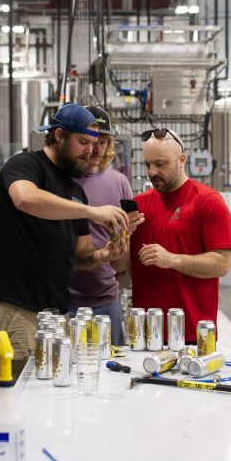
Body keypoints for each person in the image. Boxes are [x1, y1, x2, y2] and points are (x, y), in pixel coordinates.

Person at [0, 104, 130, 410]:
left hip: (54, 314)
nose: (90, 151)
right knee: (8, 405)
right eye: (83, 143)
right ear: (59, 136)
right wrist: (90, 212)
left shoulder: (74, 190)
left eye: (95, 144)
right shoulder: (24, 166)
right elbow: (24, 198)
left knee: (42, 405)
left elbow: (82, 256)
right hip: (13, 308)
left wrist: (104, 254)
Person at [130, 128, 231, 342]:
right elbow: (122, 265)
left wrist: (172, 260)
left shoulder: (208, 202)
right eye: (147, 164)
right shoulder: (138, 206)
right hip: (146, 333)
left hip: (193, 333)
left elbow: (222, 264)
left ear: (181, 160)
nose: (152, 172)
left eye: (160, 164)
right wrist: (117, 242)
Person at [67, 106, 138, 345]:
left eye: (103, 141)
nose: (96, 149)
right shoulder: (60, 181)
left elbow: (121, 260)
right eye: (90, 141)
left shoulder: (119, 183)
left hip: (106, 297)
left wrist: (121, 241)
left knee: (113, 372)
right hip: (65, 299)